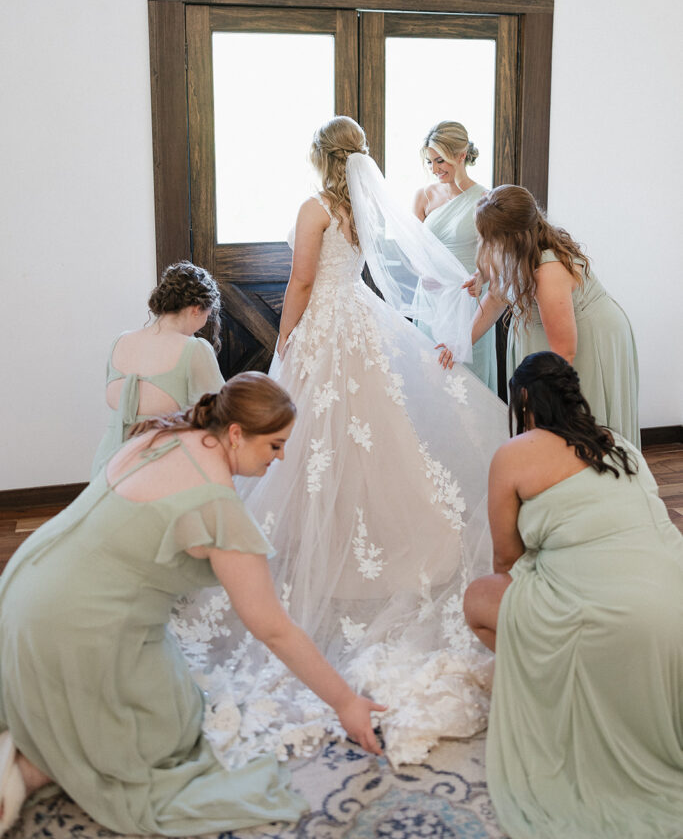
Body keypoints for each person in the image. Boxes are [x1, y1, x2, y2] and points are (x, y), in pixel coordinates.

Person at [175, 116, 509, 768]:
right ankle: (371, 546)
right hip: (361, 321)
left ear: (318, 157)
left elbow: (300, 282)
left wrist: (283, 344)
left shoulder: (315, 206)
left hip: (328, 326)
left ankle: (317, 553)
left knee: (319, 444)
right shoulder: (360, 207)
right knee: (373, 444)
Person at [0, 373, 384, 837]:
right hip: (77, 620)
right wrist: (345, 701)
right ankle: (24, 768)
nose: (279, 459)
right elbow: (272, 628)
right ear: (237, 434)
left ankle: (37, 732)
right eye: (275, 446)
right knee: (157, 744)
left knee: (178, 701)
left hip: (26, 580)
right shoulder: (215, 502)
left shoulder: (166, 434)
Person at [463, 352, 683, 838]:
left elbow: (505, 560)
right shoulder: (620, 442)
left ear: (523, 401)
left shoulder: (516, 452)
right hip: (674, 601)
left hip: (606, 616)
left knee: (477, 600)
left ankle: (560, 675)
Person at [460, 184, 639, 447]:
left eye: (489, 237)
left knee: (574, 425)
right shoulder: (513, 251)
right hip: (548, 337)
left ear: (512, 238)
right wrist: (460, 344)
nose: (483, 243)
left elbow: (564, 352)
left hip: (587, 339)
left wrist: (535, 402)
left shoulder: (548, 271)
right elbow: (497, 297)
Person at [91, 261, 225, 478]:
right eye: (207, 314)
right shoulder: (194, 349)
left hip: (106, 467)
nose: (206, 320)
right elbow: (219, 415)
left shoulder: (121, 341)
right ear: (197, 309)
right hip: (160, 468)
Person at [413, 121, 496, 391]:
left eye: (441, 161)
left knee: (466, 385)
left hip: (467, 300)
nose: (435, 169)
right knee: (429, 381)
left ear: (461, 156)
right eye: (430, 163)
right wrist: (422, 271)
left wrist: (480, 276)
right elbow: (414, 248)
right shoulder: (424, 196)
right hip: (430, 298)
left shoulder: (485, 199)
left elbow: (490, 256)